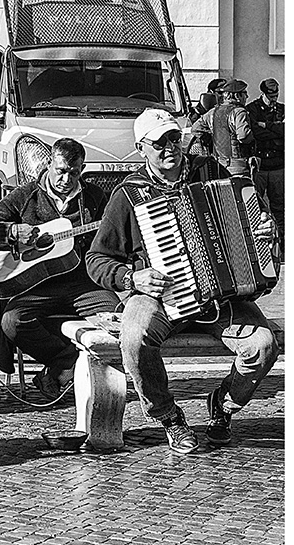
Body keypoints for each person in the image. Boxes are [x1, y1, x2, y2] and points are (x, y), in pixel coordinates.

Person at [86, 109, 279, 454]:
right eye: (159, 142)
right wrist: (133, 277)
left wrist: (265, 230)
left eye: (174, 138)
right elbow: (97, 259)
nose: (169, 147)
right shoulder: (129, 195)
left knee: (263, 345)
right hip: (159, 295)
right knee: (134, 337)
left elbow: (252, 220)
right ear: (140, 147)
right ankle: (170, 417)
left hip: (221, 297)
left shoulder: (209, 172)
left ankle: (223, 406)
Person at [0, 138, 120, 399]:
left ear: (81, 169)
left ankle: (58, 371)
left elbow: (114, 235)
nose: (66, 179)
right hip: (35, 287)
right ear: (49, 164)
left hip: (83, 285)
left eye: (74, 173)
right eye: (61, 171)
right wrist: (10, 232)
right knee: (12, 321)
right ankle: (65, 361)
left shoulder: (94, 198)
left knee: (115, 319)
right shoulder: (26, 196)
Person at [246, 78, 285, 248]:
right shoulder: (252, 110)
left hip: (278, 165)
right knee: (256, 207)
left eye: (276, 94)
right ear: (263, 93)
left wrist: (267, 125)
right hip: (260, 165)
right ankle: (257, 244)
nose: (275, 98)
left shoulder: (283, 109)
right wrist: (276, 130)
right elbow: (255, 133)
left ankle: (282, 244)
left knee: (279, 207)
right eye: (271, 95)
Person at [189, 78, 255, 176]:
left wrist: (211, 138)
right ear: (237, 95)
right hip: (237, 165)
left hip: (218, 164)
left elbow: (195, 128)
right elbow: (243, 136)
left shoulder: (213, 111)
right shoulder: (239, 112)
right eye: (244, 93)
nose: (247, 96)